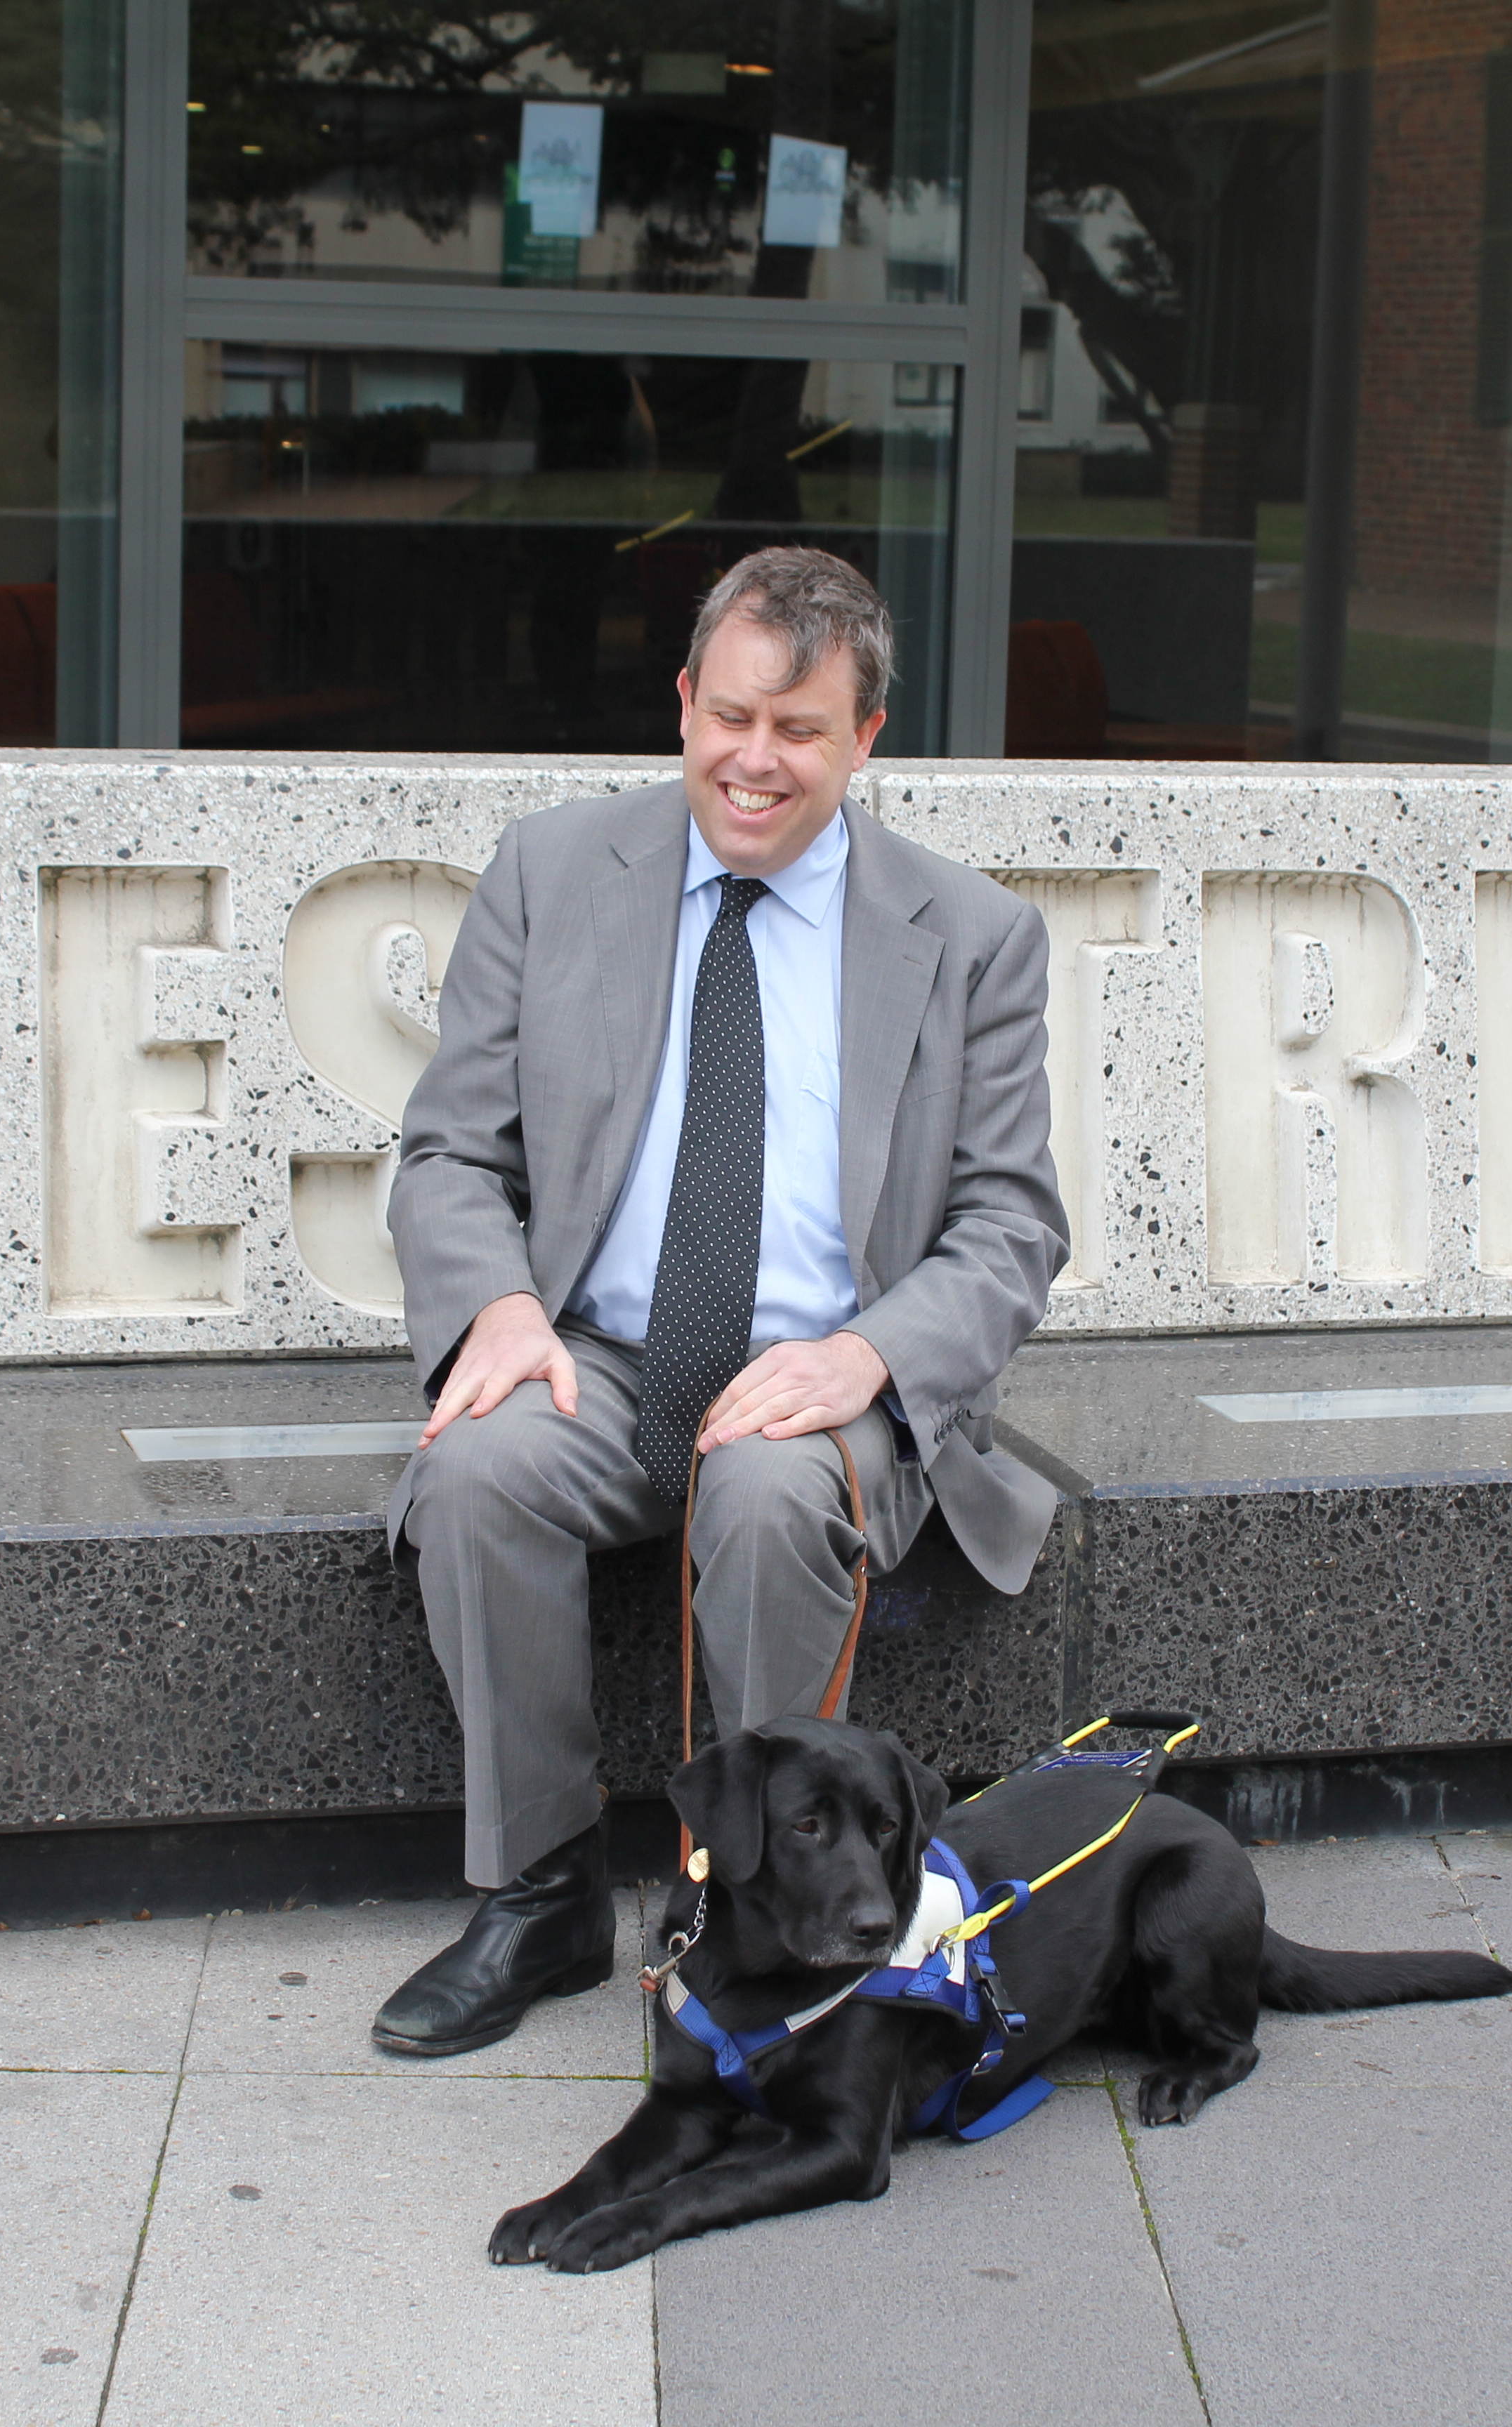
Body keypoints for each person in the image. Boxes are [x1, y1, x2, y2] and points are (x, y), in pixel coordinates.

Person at [372, 546, 1070, 2057]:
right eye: (730, 716)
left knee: (761, 1496)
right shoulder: (554, 874)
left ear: (867, 737)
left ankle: (768, 1924)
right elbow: (446, 1153)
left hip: (825, 1375)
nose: (756, 762)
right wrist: (494, 1305)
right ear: (684, 701)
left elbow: (1012, 1223)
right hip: (605, 1358)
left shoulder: (972, 937)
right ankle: (538, 1895)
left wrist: (868, 1356)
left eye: (802, 731)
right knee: (480, 1463)